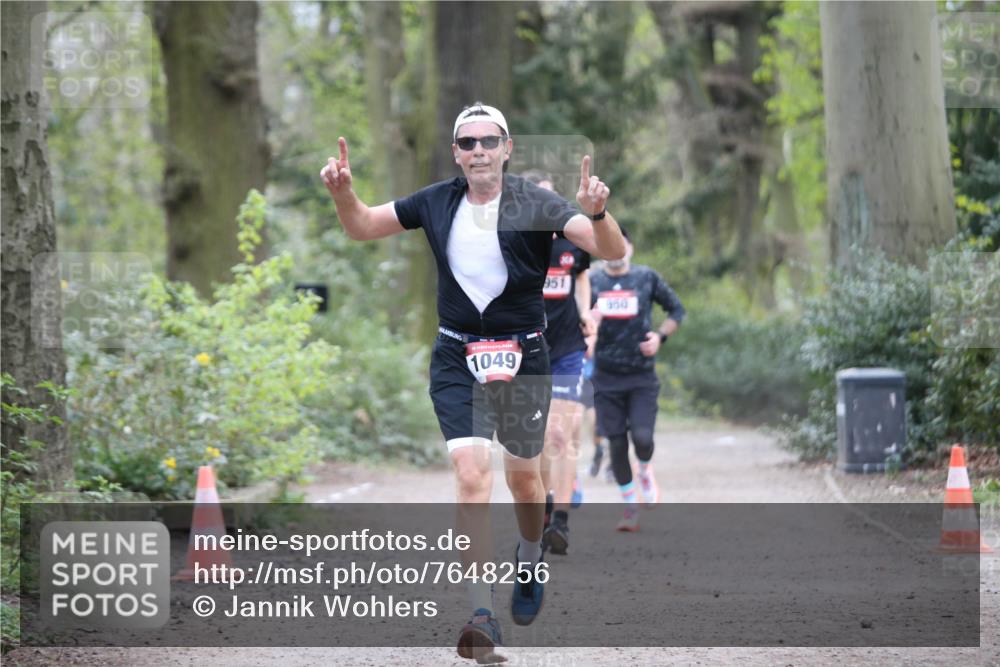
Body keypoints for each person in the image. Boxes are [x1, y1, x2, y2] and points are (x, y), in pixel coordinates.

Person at [320, 102, 626, 660]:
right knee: (470, 474)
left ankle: (529, 559)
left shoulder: (536, 203)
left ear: (507, 149)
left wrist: (598, 214)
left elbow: (612, 249)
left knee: (525, 483)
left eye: (489, 140)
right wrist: (343, 193)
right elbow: (362, 225)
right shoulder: (435, 201)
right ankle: (481, 614)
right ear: (456, 153)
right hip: (456, 355)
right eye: (468, 142)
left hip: (524, 353)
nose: (479, 150)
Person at [589, 230, 685, 532]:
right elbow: (573, 317)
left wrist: (660, 337)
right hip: (605, 377)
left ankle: (644, 469)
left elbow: (677, 310)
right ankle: (630, 505)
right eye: (609, 245)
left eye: (621, 245)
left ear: (630, 248)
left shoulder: (646, 277)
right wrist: (588, 322)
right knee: (616, 444)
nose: (616, 251)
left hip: (641, 376)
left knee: (642, 438)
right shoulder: (591, 281)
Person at [521, 171, 596, 556]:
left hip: (567, 348)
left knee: (559, 436)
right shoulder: (512, 242)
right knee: (538, 440)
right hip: (528, 350)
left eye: (551, 199)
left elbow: (581, 277)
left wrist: (585, 313)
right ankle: (546, 505)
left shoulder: (572, 240)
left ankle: (560, 522)